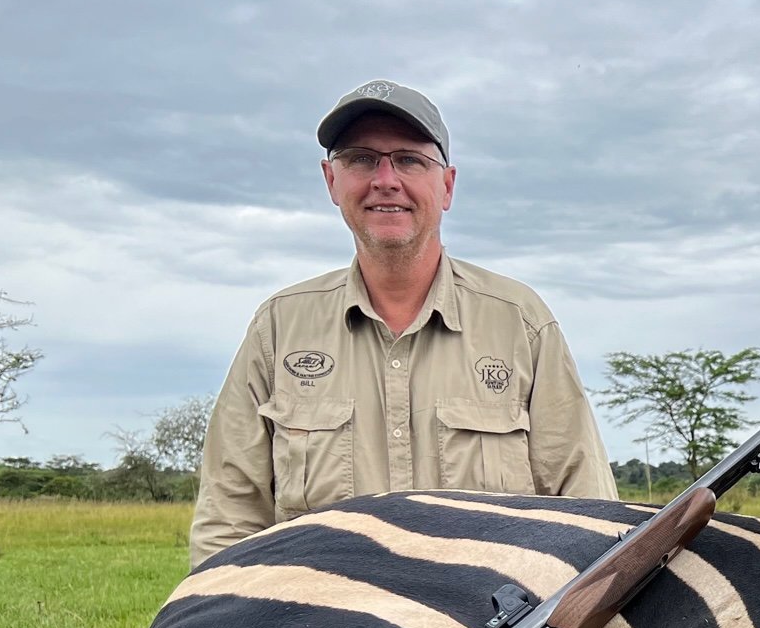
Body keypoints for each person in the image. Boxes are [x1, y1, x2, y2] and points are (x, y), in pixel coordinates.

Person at [190, 80, 615, 567]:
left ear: (447, 185)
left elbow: (592, 517)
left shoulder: (522, 325)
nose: (385, 179)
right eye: (361, 159)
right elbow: (228, 522)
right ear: (331, 181)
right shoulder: (278, 328)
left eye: (410, 160)